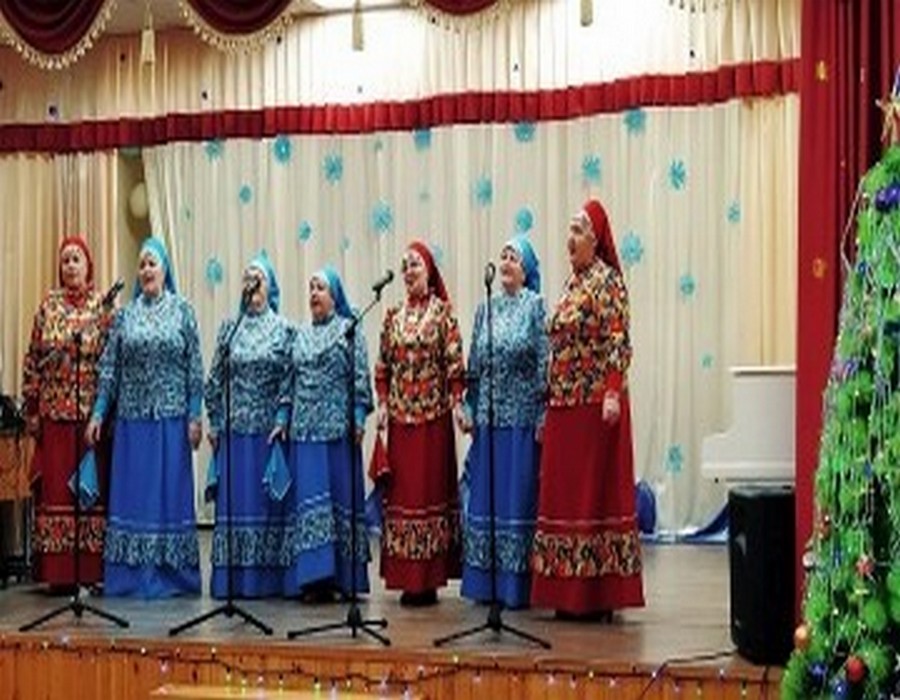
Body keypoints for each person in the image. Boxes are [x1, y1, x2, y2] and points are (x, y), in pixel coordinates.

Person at [530, 199, 644, 619]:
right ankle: (566, 593)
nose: (570, 238)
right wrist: (547, 404)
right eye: (569, 230)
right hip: (564, 406)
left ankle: (594, 597)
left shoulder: (607, 281)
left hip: (596, 407)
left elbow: (618, 339)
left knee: (591, 500)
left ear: (596, 241)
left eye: (578, 231)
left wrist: (612, 391)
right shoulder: (571, 284)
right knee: (563, 499)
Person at [86, 237, 203, 598]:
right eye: (142, 265)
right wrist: (98, 413)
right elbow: (110, 370)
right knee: (135, 500)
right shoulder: (125, 316)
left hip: (171, 419)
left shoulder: (183, 311)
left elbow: (194, 368)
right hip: (132, 422)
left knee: (168, 498)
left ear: (165, 270)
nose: (147, 270)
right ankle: (130, 577)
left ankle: (173, 577)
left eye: (153, 263)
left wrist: (195, 416)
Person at [375, 240, 465, 606]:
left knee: (429, 496)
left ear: (429, 271)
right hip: (401, 422)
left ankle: (427, 580)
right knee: (403, 498)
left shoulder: (443, 314)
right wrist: (383, 403)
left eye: (415, 265)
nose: (409, 271)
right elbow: (383, 366)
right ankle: (406, 579)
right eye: (405, 266)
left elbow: (455, 364)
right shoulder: (392, 316)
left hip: (432, 422)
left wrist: (457, 403)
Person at [459, 235, 547, 609]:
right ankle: (485, 584)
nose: (506, 262)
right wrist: (468, 406)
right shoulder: (486, 309)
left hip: (522, 420)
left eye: (514, 257)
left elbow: (544, 363)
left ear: (526, 270)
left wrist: (544, 411)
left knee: (516, 499)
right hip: (488, 422)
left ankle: (516, 587)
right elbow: (474, 366)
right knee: (487, 500)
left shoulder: (535, 306)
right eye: (503, 256)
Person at [22, 236, 114, 590]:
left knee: (88, 493)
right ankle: (59, 575)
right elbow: (33, 359)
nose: (71, 265)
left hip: (91, 418)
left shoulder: (102, 307)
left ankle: (91, 573)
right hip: (54, 417)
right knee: (58, 493)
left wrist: (105, 411)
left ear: (88, 265)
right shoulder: (48, 306)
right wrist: (32, 408)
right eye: (65, 260)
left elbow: (111, 362)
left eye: (77, 259)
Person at [204, 252, 294, 599]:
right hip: (235, 435)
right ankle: (234, 583)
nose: (251, 283)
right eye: (246, 277)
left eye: (258, 278)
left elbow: (289, 381)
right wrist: (215, 422)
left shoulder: (284, 329)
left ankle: (269, 583)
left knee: (267, 507)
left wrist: (282, 418)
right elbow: (214, 381)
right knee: (236, 508)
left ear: (270, 287)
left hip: (268, 436)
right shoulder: (230, 329)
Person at [282, 267, 373, 601]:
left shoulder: (349, 329)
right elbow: (288, 382)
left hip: (338, 432)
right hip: (305, 432)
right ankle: (313, 580)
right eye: (311, 288)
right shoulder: (299, 335)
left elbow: (360, 377)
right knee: (310, 505)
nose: (314, 294)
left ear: (335, 296)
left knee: (339, 503)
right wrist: (282, 418)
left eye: (320, 288)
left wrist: (359, 417)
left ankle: (343, 579)